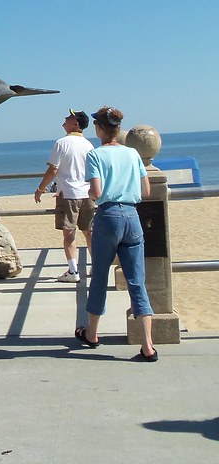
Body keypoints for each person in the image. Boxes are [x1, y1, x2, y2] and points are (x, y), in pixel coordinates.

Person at [75, 106, 157, 361]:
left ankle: (92, 334)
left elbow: (96, 192)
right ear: (118, 129)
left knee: (100, 275)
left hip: (108, 216)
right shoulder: (133, 154)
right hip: (132, 216)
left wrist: (91, 195)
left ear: (99, 128)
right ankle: (148, 345)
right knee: (136, 281)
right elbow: (146, 191)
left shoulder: (95, 155)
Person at [34, 109, 94, 282]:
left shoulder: (62, 143)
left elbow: (53, 169)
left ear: (75, 124)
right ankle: (96, 267)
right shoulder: (89, 145)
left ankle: (73, 271)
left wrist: (40, 188)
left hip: (68, 194)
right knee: (88, 232)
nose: (65, 118)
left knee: (69, 233)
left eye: (69, 117)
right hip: (87, 193)